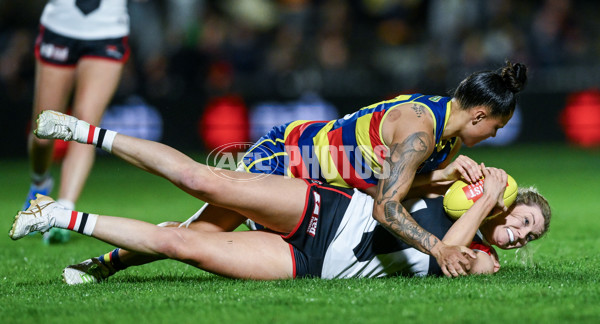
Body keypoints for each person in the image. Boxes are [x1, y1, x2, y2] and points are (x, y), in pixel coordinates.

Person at [9, 111, 551, 282]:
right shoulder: (460, 185)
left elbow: (451, 254)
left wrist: (487, 200)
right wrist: (457, 178)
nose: (520, 231)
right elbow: (398, 188)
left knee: (186, 246)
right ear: (512, 202)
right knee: (205, 181)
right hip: (326, 206)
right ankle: (87, 132)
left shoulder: (485, 265)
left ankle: (56, 213)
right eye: (523, 217)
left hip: (308, 263)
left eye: (529, 234)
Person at [176, 60, 529, 273]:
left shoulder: (445, 138)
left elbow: (387, 185)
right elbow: (386, 208)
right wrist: (440, 249)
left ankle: (118, 258)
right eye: (495, 127)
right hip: (287, 159)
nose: (494, 136)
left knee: (198, 237)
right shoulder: (419, 131)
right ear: (480, 115)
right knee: (200, 235)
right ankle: (118, 256)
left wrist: (440, 177)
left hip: (312, 189)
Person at [23, 0, 131, 244]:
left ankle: (62, 211)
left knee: (85, 125)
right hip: (61, 26)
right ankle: (40, 182)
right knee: (43, 133)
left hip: (107, 29)